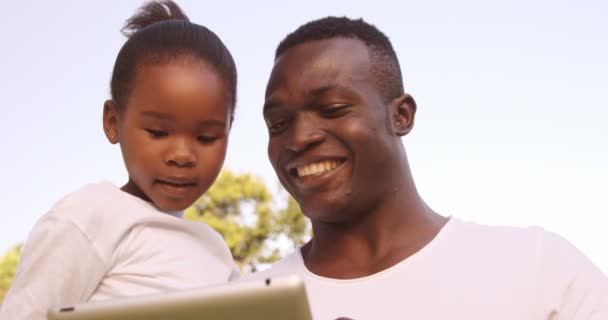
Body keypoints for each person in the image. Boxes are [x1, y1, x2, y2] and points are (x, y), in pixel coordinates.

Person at [247, 16, 608, 319]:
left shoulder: (538, 268)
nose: (299, 137)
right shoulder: (246, 305)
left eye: (333, 109)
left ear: (401, 116)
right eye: (278, 124)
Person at [0, 1, 239, 319]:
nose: (182, 155)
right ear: (113, 122)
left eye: (206, 137)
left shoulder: (216, 251)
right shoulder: (89, 218)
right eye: (157, 132)